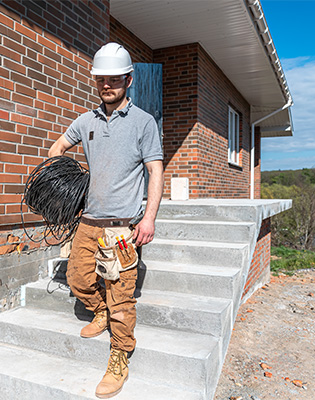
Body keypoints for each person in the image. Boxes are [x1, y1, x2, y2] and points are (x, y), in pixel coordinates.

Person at [48, 42, 164, 398]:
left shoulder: (144, 122)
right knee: (77, 277)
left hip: (122, 226)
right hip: (89, 220)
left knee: (121, 294)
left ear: (128, 80)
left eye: (114, 79)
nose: (106, 85)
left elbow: (155, 171)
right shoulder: (86, 121)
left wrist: (148, 219)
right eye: (101, 79)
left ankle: (119, 357)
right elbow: (56, 149)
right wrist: (67, 178)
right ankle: (98, 311)